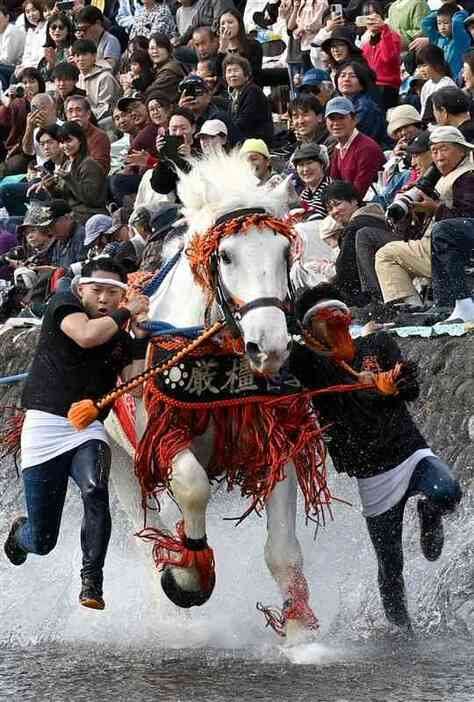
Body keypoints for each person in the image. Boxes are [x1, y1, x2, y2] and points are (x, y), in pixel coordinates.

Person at [289, 282, 462, 631]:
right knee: (390, 564)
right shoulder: (307, 363)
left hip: (409, 452)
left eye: (340, 314)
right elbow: (272, 349)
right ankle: (402, 630)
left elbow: (410, 386)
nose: (336, 322)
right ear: (310, 331)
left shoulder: (377, 344)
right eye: (326, 318)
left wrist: (392, 382)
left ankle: (429, 512)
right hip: (371, 476)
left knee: (447, 491)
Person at [3, 256, 150, 611]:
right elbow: (86, 336)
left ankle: (92, 582)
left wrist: (142, 337)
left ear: (121, 295)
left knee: (96, 489)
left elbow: (136, 387)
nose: (103, 299)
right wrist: (127, 312)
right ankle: (20, 536)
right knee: (43, 540)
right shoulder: (63, 305)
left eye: (112, 294)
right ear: (82, 289)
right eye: (97, 290)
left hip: (87, 429)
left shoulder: (120, 332)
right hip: (44, 428)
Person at [375, 126, 474, 308]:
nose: (438, 156)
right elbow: (412, 232)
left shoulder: (467, 175)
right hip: (435, 244)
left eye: (444, 148)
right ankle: (413, 308)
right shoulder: (443, 176)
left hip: (454, 249)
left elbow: (468, 219)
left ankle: (413, 307)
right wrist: (410, 213)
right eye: (434, 150)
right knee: (386, 248)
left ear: (461, 149)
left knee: (386, 255)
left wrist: (435, 208)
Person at [322, 179, 389, 306]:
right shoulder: (377, 218)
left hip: (366, 302)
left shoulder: (355, 227)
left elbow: (345, 272)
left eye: (337, 204)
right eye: (329, 209)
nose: (334, 212)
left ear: (354, 201)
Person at [43, 121, 108, 224]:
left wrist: (69, 179)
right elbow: (64, 199)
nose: (65, 145)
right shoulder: (66, 164)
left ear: (80, 140)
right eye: (62, 142)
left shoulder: (89, 165)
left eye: (69, 141)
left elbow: (92, 199)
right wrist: (50, 188)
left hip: (90, 217)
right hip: (72, 214)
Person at [326, 96, 385, 198]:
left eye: (341, 117)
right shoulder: (338, 148)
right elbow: (334, 186)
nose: (336, 123)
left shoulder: (367, 148)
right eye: (332, 119)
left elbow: (359, 192)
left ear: (354, 119)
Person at [223, 54, 274, 144]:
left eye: (236, 70)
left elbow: (244, 122)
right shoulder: (235, 94)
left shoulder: (252, 91)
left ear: (246, 74)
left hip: (257, 142)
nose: (232, 75)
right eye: (229, 71)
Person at [360, 2, 401, 111]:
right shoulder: (365, 44)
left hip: (388, 88)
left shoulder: (392, 35)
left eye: (374, 14)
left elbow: (389, 57)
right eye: (367, 14)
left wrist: (384, 29)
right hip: (370, 88)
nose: (371, 18)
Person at [71, 39, 121, 126]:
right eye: (77, 55)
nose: (80, 59)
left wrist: (83, 117)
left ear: (94, 56)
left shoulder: (105, 77)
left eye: (84, 54)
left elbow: (106, 108)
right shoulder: (77, 78)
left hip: (105, 123)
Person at [334, 60, 386, 143]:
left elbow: (352, 137)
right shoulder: (337, 104)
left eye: (352, 76)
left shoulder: (365, 107)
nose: (346, 79)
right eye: (342, 76)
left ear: (362, 84)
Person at [421, 3, 470, 80]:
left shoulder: (460, 40)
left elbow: (457, 23)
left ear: (452, 22)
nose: (442, 27)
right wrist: (441, 11)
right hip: (440, 81)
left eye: (446, 23)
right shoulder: (438, 39)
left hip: (456, 82)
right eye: (439, 23)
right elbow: (425, 23)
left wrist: (461, 12)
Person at [64, 96, 111, 175]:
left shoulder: (99, 136)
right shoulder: (63, 135)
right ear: (66, 116)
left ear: (88, 114)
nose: (74, 115)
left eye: (78, 110)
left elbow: (99, 169)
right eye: (70, 111)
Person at [216, 9, 263, 82]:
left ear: (239, 24)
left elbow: (253, 74)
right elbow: (217, 76)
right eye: (222, 24)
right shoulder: (218, 49)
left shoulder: (253, 46)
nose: (226, 26)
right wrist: (222, 49)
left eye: (230, 22)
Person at [75, 6, 122, 73]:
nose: (82, 33)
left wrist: (87, 62)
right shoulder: (86, 41)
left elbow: (109, 67)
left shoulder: (111, 41)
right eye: (79, 30)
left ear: (98, 23)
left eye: (84, 29)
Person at [416, 45, 456, 121]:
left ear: (437, 64)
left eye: (424, 65)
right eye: (419, 66)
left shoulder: (447, 84)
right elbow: (423, 111)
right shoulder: (426, 86)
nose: (421, 70)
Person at [292, 142, 331, 220]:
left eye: (309, 163)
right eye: (301, 165)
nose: (305, 169)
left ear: (322, 164)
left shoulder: (330, 190)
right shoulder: (305, 193)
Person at [146, 33, 185, 101]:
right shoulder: (158, 68)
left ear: (168, 49)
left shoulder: (169, 72)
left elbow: (149, 93)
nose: (155, 51)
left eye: (159, 47)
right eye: (152, 48)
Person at [37, 12, 75, 82]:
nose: (57, 30)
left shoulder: (74, 50)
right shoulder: (48, 52)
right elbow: (41, 80)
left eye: (61, 27)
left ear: (68, 30)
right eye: (53, 27)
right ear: (48, 31)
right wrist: (50, 64)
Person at [14, 0, 46, 75]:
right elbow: (26, 55)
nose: (31, 14)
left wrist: (27, 68)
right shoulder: (30, 31)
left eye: (34, 10)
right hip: (28, 67)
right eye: (27, 12)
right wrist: (24, 66)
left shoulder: (47, 26)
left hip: (39, 68)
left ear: (40, 9)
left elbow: (41, 55)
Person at [0, 4, 25, 89]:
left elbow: (8, 59)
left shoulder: (12, 31)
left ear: (7, 17)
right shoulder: (1, 32)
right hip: (6, 67)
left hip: (19, 67)